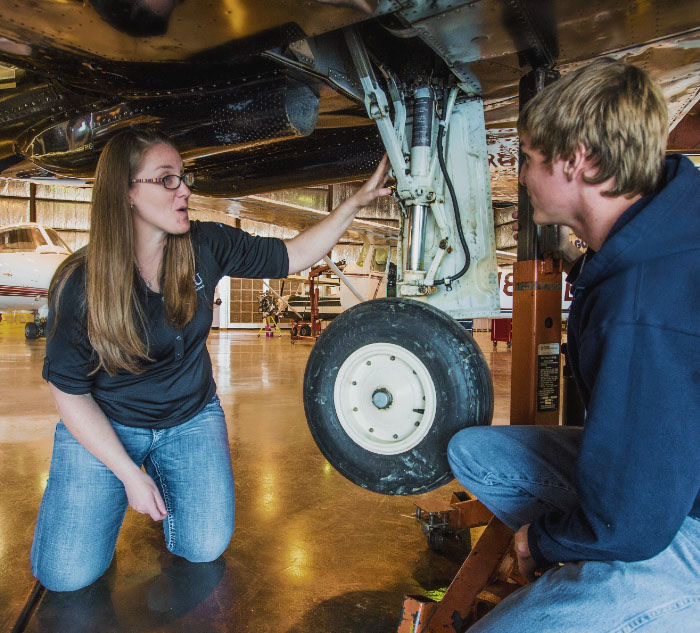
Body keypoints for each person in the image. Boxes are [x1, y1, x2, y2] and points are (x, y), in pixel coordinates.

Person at [32, 127, 391, 592]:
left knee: (203, 548)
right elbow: (70, 393)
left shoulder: (205, 245)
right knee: (65, 577)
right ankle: (104, 500)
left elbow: (293, 254)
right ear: (125, 194)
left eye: (184, 177)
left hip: (189, 417)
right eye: (166, 180)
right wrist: (127, 476)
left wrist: (354, 203)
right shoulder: (79, 283)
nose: (184, 189)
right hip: (109, 420)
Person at [448, 58, 700, 632]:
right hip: (675, 468)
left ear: (577, 160)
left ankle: (614, 588)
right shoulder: (659, 224)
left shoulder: (643, 307)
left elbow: (638, 519)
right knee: (473, 453)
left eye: (531, 159)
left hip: (678, 518)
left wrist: (546, 541)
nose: (525, 175)